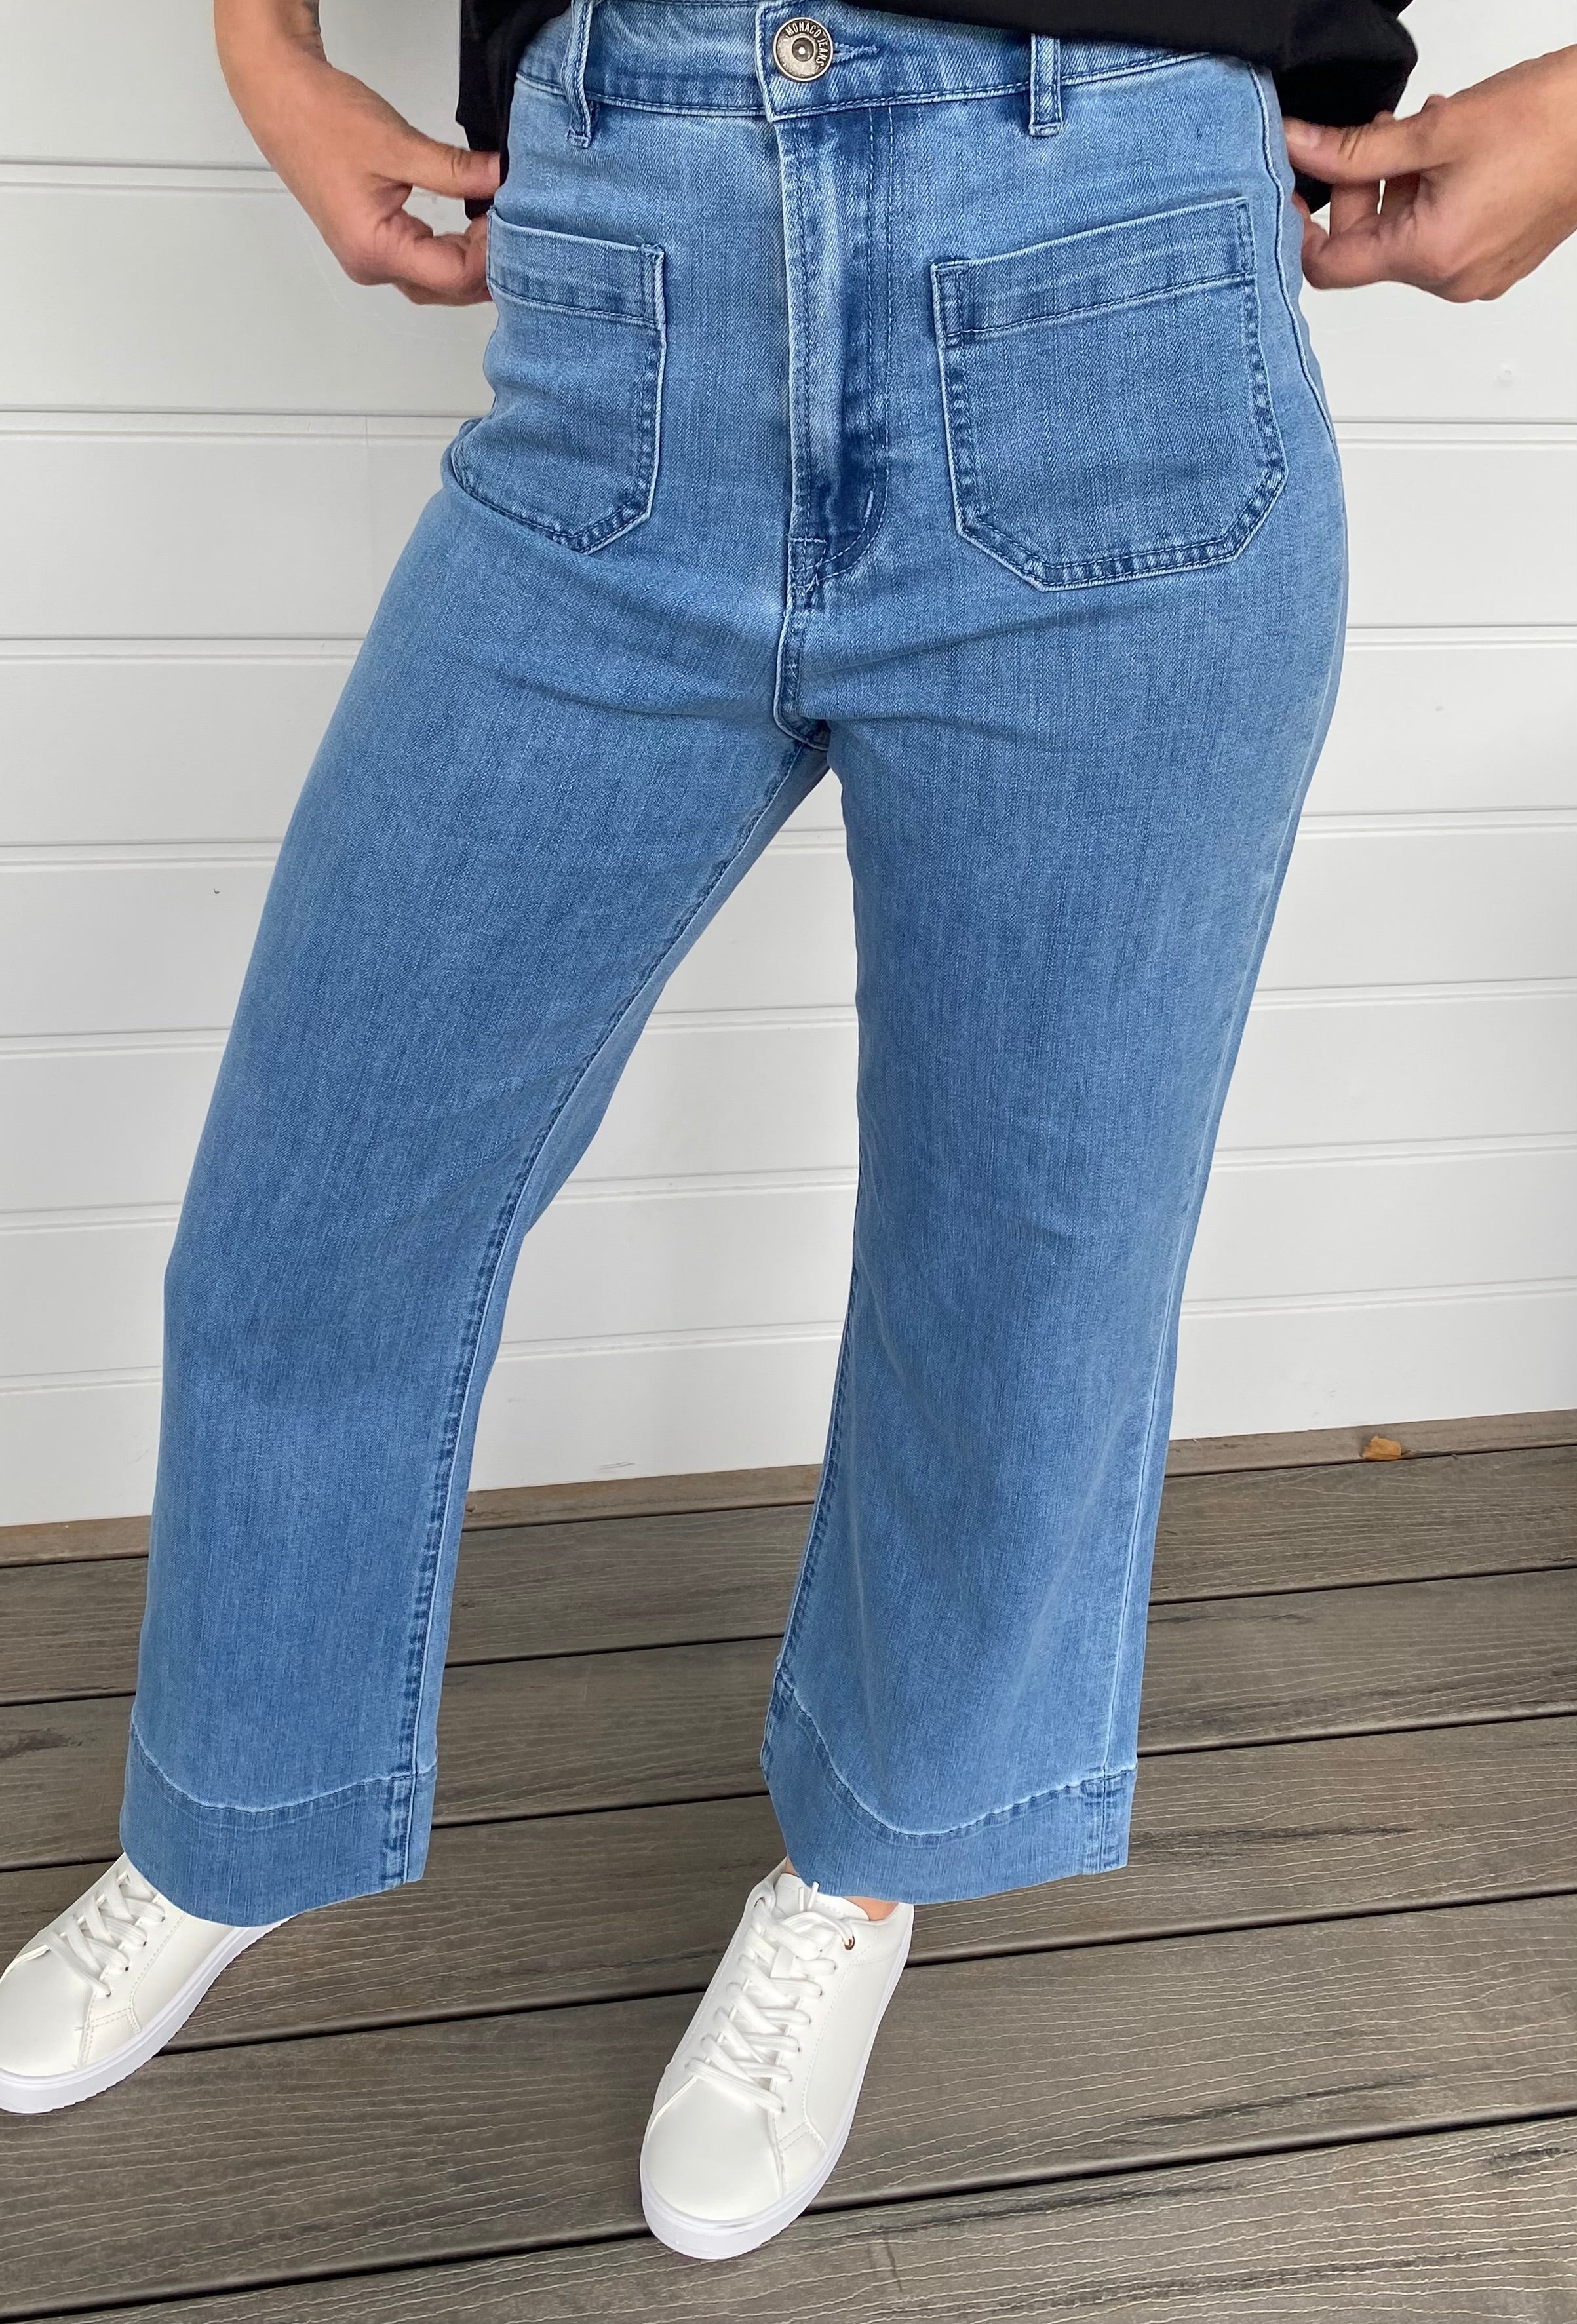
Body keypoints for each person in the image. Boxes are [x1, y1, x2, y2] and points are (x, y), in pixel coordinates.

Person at [1, 0, 1572, 2267]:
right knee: (320, 1208)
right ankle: (233, 1809)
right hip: (621, 263)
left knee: (1025, 1257)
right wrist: (265, 47)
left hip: (1112, 273)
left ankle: (865, 1860)